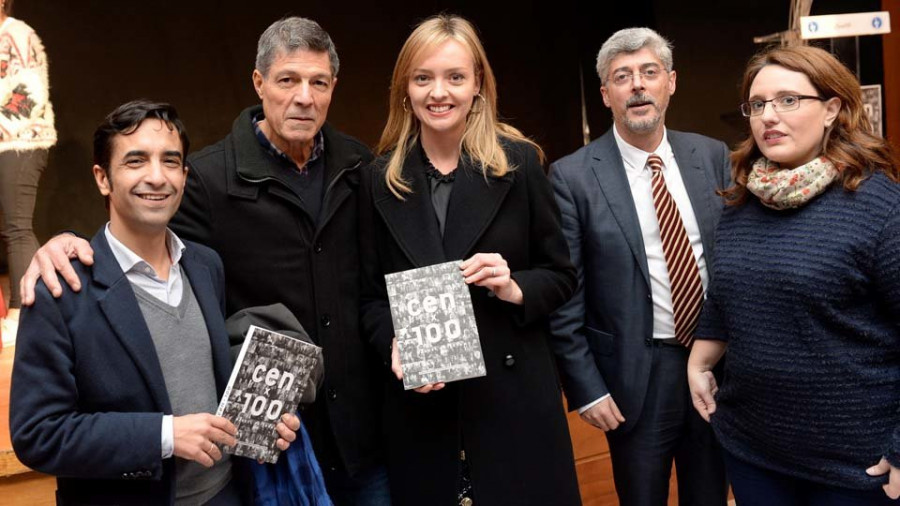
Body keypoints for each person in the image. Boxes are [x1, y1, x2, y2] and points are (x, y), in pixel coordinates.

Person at [19, 18, 389, 505]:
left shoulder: (358, 167)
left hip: (341, 439)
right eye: (287, 80)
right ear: (259, 83)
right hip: (254, 468)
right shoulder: (209, 184)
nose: (304, 97)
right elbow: (137, 222)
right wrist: (61, 241)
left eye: (317, 82)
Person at [10, 100, 300, 505]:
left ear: (184, 175)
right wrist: (165, 435)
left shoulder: (205, 266)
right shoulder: (59, 287)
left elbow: (206, 382)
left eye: (170, 161)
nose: (156, 176)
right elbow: (38, 435)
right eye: (135, 161)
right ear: (102, 179)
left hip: (226, 495)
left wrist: (263, 421)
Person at [359, 14, 582, 506]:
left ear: (477, 84)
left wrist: (513, 285)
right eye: (424, 78)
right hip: (424, 410)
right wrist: (391, 344)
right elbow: (371, 298)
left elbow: (561, 275)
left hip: (514, 401)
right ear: (405, 88)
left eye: (455, 77)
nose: (439, 92)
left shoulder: (518, 163)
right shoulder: (378, 180)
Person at [687, 44, 900, 505]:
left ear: (831, 109)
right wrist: (700, 361)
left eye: (788, 100)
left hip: (854, 467)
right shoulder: (744, 201)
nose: (768, 116)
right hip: (753, 453)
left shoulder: (879, 205)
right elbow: (730, 295)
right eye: (758, 104)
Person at [548, 27, 729, 505]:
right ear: (606, 95)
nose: (638, 86)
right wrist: (586, 389)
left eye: (649, 72)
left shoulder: (712, 156)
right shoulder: (572, 176)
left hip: (715, 366)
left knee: (710, 494)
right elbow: (567, 297)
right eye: (622, 77)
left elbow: (732, 263)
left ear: (671, 82)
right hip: (636, 378)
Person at [0, 0, 56, 341]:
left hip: (22, 142)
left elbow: (29, 93)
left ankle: (24, 313)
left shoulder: (19, 34)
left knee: (17, 228)